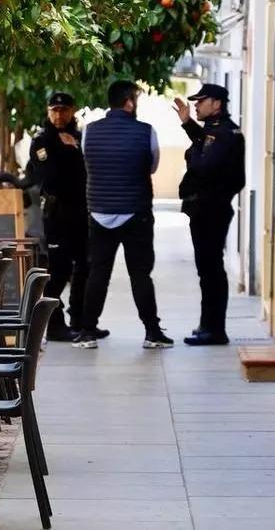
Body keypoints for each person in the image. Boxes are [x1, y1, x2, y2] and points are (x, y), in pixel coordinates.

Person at [80, 80, 172, 350]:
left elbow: (88, 164)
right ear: (129, 102)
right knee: (140, 274)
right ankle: (152, 332)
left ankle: (87, 332)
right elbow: (152, 166)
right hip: (136, 215)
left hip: (98, 213)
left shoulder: (89, 132)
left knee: (98, 273)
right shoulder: (147, 132)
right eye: (136, 99)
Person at [174, 84, 246, 346]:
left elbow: (205, 165)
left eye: (201, 101)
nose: (196, 105)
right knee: (207, 270)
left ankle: (215, 330)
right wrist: (188, 124)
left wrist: (192, 158)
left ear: (216, 103)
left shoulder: (224, 133)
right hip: (207, 207)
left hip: (211, 208)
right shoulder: (218, 131)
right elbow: (206, 144)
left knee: (211, 269)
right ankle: (208, 325)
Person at [25, 92, 89, 342]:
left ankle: (81, 320)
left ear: (72, 111)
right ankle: (53, 323)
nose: (59, 115)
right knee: (59, 270)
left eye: (64, 110)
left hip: (81, 211)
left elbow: (87, 172)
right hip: (57, 213)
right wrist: (69, 152)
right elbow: (49, 177)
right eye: (54, 110)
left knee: (84, 267)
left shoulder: (80, 137)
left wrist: (73, 150)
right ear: (48, 111)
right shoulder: (42, 141)